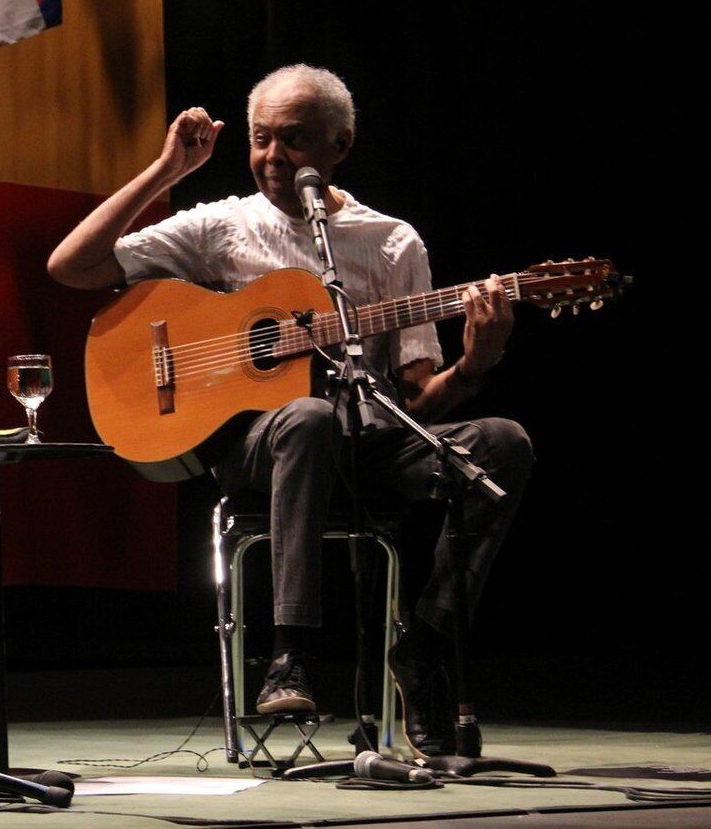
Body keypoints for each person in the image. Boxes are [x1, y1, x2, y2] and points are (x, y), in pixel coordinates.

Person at [47, 65, 531, 758]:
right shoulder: (223, 225)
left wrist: (476, 364)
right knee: (308, 416)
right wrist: (166, 171)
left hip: (369, 443)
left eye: (295, 140)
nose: (273, 157)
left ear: (341, 145)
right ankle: (289, 654)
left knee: (503, 443)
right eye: (260, 139)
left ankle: (424, 647)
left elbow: (419, 400)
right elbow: (71, 265)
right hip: (259, 446)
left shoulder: (391, 242)